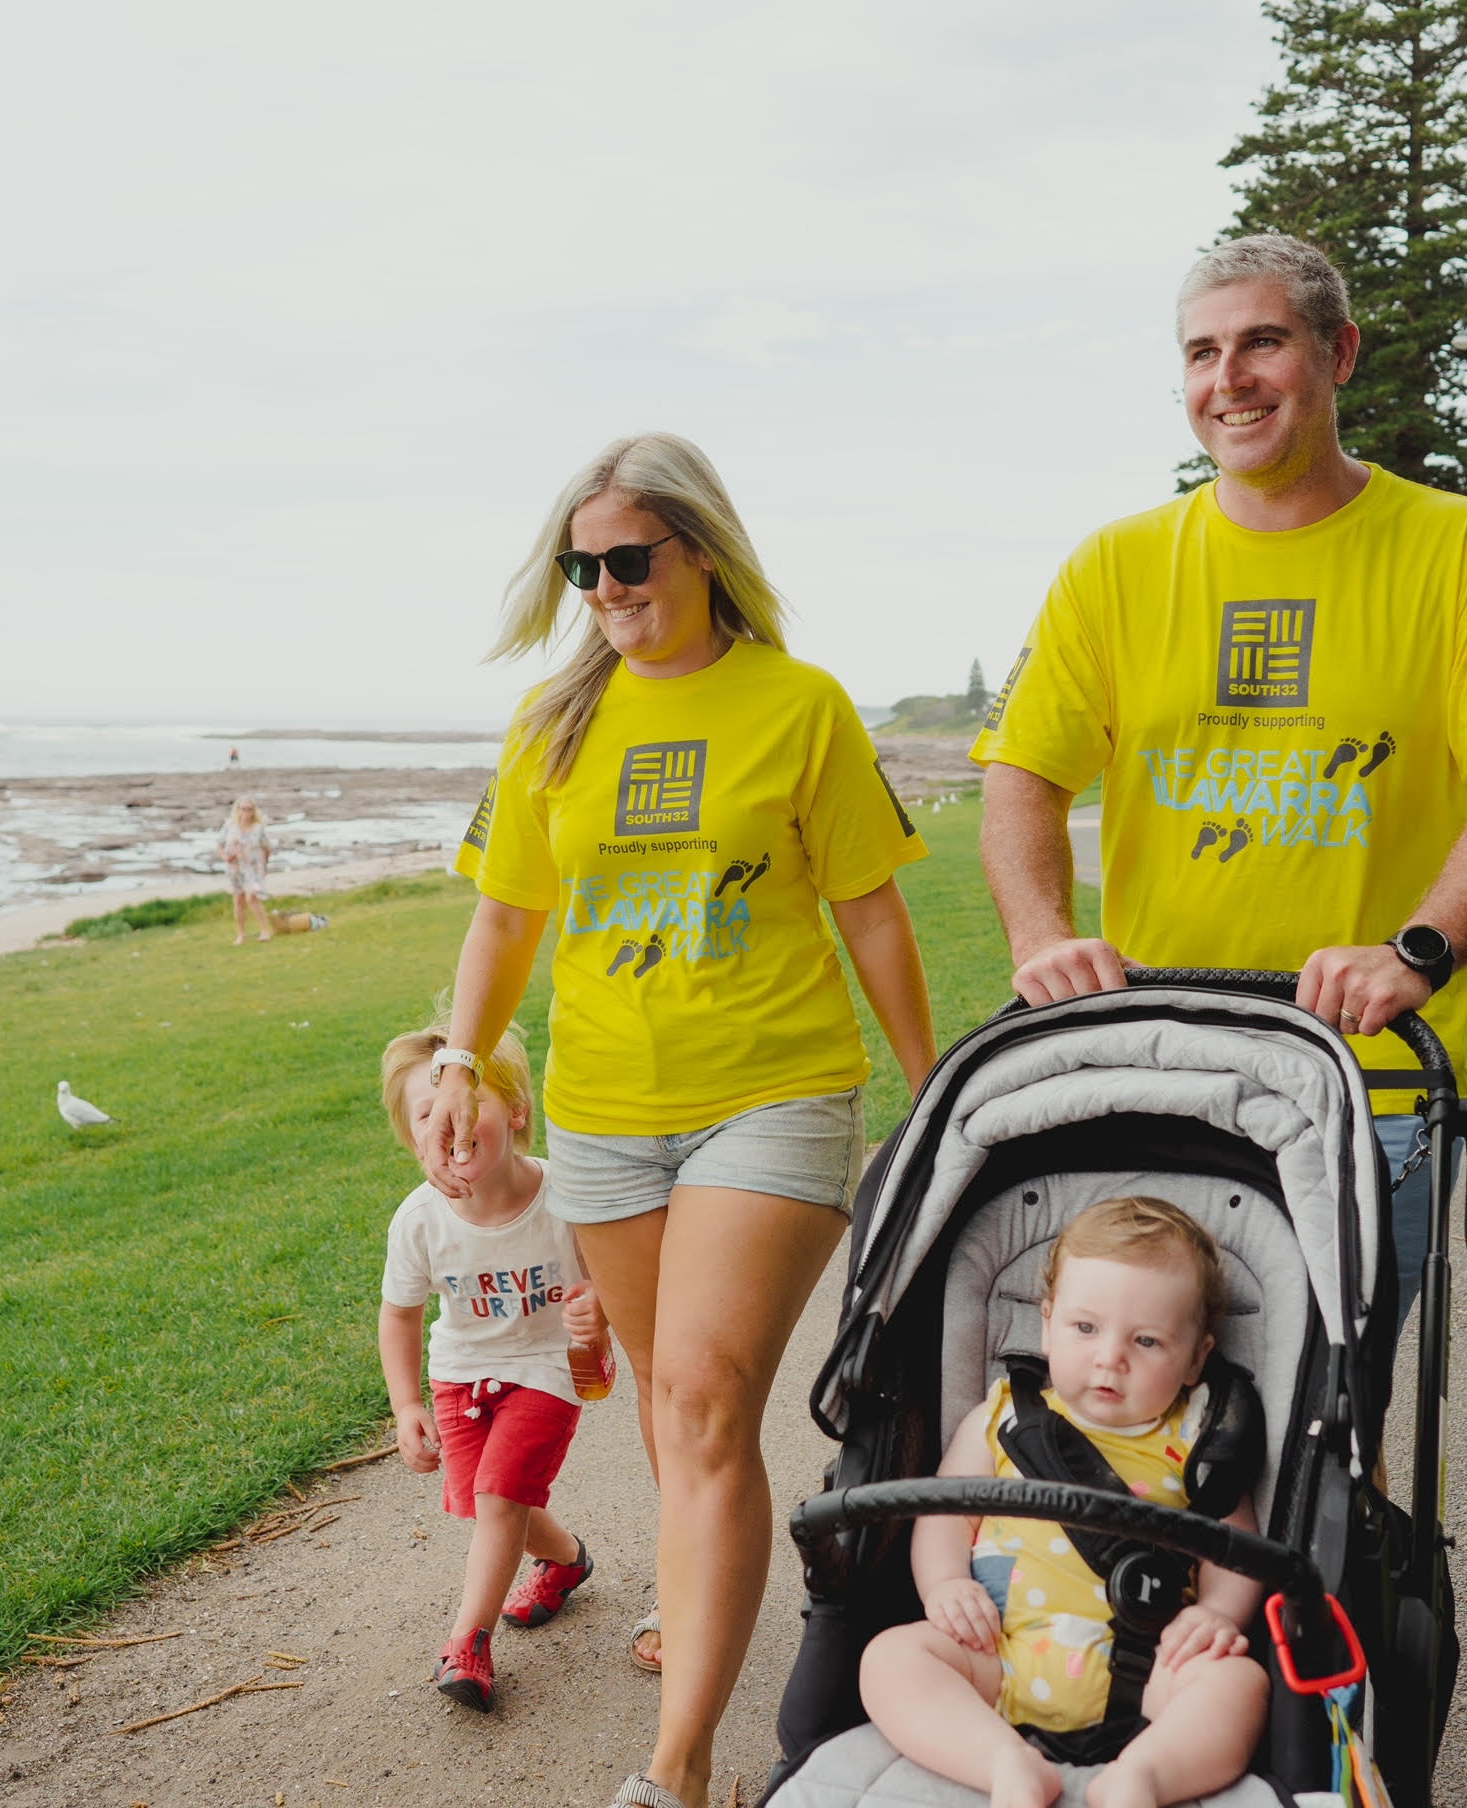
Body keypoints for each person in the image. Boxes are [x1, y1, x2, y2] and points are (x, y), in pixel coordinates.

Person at [973, 233, 1467, 1343]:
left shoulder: (1461, 549)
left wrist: (1418, 949)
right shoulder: (1113, 567)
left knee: (1329, 1429)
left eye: (1263, 341)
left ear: (1340, 353)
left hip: (1370, 1090)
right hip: (1162, 1070)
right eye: (1202, 352)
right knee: (1133, 1413)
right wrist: (1041, 934)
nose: (1230, 378)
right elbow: (1022, 773)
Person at [426, 432, 938, 1808]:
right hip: (604, 1115)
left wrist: (935, 1084)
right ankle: (702, 1587)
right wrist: (460, 1055)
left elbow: (871, 912)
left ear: (702, 551)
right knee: (661, 1400)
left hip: (772, 1098)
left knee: (707, 1399)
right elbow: (506, 913)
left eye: (627, 559)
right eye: (580, 565)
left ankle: (682, 1767)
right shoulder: (552, 722)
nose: (602, 585)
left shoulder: (801, 706)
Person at [858, 1197, 1267, 1808]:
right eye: (1085, 1328)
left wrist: (1217, 1614)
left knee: (1238, 1683)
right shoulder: (1003, 1418)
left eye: (1148, 1341)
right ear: (1047, 1323)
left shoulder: (1196, 1439)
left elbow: (1235, 1546)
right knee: (890, 1658)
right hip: (1000, 1654)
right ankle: (1005, 1763)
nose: (1110, 1357)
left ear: (1195, 1360)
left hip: (1149, 1667)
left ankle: (1144, 1775)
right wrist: (944, 1584)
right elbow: (944, 1512)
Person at [379, 1020, 608, 1713]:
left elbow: (612, 1279)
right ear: (414, 1136)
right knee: (489, 1500)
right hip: (461, 1370)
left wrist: (599, 1311)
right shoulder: (418, 1221)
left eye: (467, 1102)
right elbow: (400, 1314)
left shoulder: (564, 1196)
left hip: (549, 1364)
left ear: (515, 1112)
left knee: (501, 1496)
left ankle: (466, 1642)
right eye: (428, 1114)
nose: (449, 1124)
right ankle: (567, 1560)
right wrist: (406, 1404)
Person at [217, 796, 274, 944]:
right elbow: (219, 845)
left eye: (250, 809)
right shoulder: (229, 825)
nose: (246, 812)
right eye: (243, 809)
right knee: (238, 900)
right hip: (235, 868)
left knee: (251, 897)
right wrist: (225, 857)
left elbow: (267, 848)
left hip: (253, 868)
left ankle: (265, 931)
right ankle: (241, 934)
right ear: (238, 810)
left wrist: (265, 867)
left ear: (254, 811)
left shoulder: (258, 827)